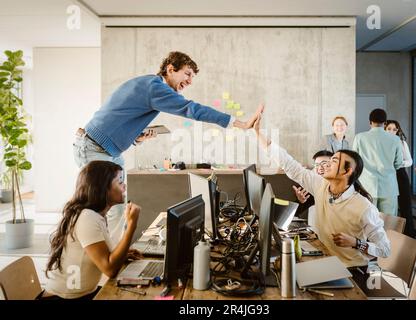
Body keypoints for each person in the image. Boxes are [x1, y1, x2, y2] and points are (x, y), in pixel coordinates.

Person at [73, 51, 264, 241]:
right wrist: (241, 124)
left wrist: (136, 137)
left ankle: (113, 254)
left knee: (117, 208)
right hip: (94, 148)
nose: (189, 81)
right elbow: (192, 109)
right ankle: (106, 259)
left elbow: (119, 115)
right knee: (101, 209)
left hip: (107, 149)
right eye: (187, 74)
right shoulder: (154, 88)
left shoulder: (149, 84)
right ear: (170, 69)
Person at [253, 114, 390, 272]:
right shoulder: (321, 185)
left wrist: (356, 242)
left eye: (333, 162)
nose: (326, 164)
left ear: (347, 171)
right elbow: (289, 164)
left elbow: (385, 250)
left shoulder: (363, 207)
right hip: (325, 259)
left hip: (350, 270)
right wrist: (258, 133)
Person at [42, 161, 142, 299]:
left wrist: (123, 254)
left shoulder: (95, 215)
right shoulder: (87, 217)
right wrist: (131, 224)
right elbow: (110, 269)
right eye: (119, 182)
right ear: (102, 188)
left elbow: (105, 257)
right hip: (64, 297)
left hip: (81, 293)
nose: (124, 186)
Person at [353, 109, 403, 216]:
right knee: (389, 223)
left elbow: (354, 161)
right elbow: (398, 163)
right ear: (385, 123)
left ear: (370, 122)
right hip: (389, 186)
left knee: (367, 221)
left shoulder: (359, 138)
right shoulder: (395, 139)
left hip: (366, 185)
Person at [385, 120, 415, 238]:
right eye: (389, 129)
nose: (392, 131)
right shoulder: (382, 142)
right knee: (389, 207)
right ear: (384, 129)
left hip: (400, 175)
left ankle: (409, 236)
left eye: (394, 129)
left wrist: (398, 163)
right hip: (386, 176)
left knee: (405, 205)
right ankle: (389, 235)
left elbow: (410, 161)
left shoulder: (402, 143)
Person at [293, 150, 333, 230]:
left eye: (324, 164)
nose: (320, 168)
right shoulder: (313, 186)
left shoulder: (343, 185)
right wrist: (301, 201)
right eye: (317, 165)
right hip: (316, 233)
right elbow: (295, 213)